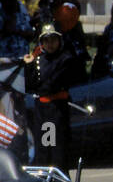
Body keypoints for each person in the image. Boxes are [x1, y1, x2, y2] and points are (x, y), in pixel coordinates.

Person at [24, 24, 82, 170]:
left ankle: (59, 180)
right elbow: (31, 84)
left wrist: (43, 87)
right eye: (46, 40)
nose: (50, 44)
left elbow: (53, 84)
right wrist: (29, 65)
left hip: (56, 108)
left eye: (53, 40)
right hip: (42, 108)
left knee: (57, 145)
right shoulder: (38, 60)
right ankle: (44, 178)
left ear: (59, 41)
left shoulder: (65, 59)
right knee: (44, 145)